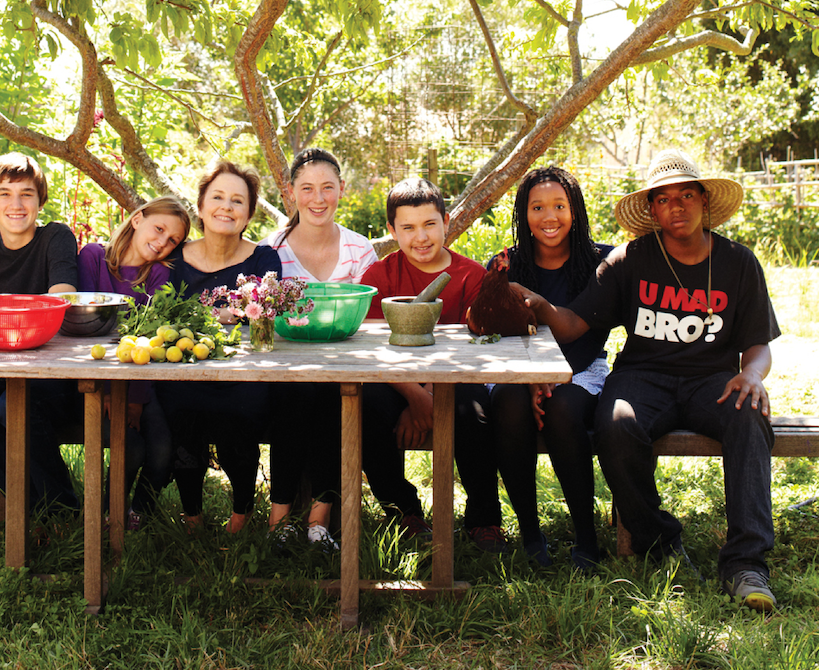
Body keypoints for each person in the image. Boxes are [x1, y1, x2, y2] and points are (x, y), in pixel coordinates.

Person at [516, 149, 780, 611]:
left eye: (686, 195)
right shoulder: (631, 260)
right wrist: (539, 305)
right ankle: (659, 541)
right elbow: (576, 323)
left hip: (712, 380)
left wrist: (752, 376)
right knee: (614, 423)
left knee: (749, 414)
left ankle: (746, 564)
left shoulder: (739, 263)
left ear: (703, 201)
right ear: (652, 210)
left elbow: (758, 342)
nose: (676, 206)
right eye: (663, 199)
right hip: (642, 377)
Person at [359, 177, 504, 551]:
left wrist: (432, 395)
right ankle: (402, 510)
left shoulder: (472, 277)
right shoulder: (379, 277)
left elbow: (478, 352)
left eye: (429, 225)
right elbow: (371, 354)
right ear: (391, 230)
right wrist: (415, 397)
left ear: (446, 222)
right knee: (366, 406)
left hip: (457, 383)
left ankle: (484, 519)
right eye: (407, 227)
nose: (420, 237)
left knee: (474, 411)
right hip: (393, 382)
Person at [489, 167, 613, 569]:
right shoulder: (508, 263)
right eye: (537, 207)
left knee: (562, 409)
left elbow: (588, 336)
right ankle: (529, 534)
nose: (549, 216)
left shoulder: (601, 261)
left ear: (575, 210)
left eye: (560, 206)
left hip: (582, 370)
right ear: (523, 213)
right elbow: (495, 333)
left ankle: (587, 539)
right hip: (518, 372)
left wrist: (552, 378)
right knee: (508, 401)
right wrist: (528, 378)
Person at [0, 152, 81, 515]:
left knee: (12, 405)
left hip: (51, 369)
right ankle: (30, 501)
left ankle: (61, 508)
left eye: (26, 193)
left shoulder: (56, 237)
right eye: (5, 194)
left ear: (40, 200)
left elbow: (62, 296)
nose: (16, 204)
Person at [260, 147, 377, 548]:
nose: (318, 198)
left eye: (328, 187)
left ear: (342, 189)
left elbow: (371, 324)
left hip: (345, 370)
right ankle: (278, 523)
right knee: (298, 394)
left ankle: (319, 523)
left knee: (334, 395)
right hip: (282, 372)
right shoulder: (270, 249)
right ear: (290, 193)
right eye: (307, 188)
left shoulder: (360, 250)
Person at [160, 159, 282, 533]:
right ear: (200, 206)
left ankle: (242, 513)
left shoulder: (264, 258)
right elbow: (162, 314)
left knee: (242, 409)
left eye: (237, 201)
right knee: (180, 406)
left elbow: (264, 319)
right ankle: (192, 514)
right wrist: (223, 313)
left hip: (244, 373)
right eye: (217, 197)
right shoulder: (173, 259)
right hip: (183, 370)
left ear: (247, 214)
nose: (226, 207)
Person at [77, 197, 190, 529]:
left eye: (172, 241)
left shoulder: (158, 275)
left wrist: (136, 399)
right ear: (138, 218)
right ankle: (110, 508)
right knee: (133, 445)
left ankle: (138, 510)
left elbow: (150, 340)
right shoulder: (93, 258)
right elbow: (86, 329)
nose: (162, 242)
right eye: (159, 229)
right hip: (93, 378)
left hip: (143, 380)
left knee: (162, 449)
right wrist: (112, 392)